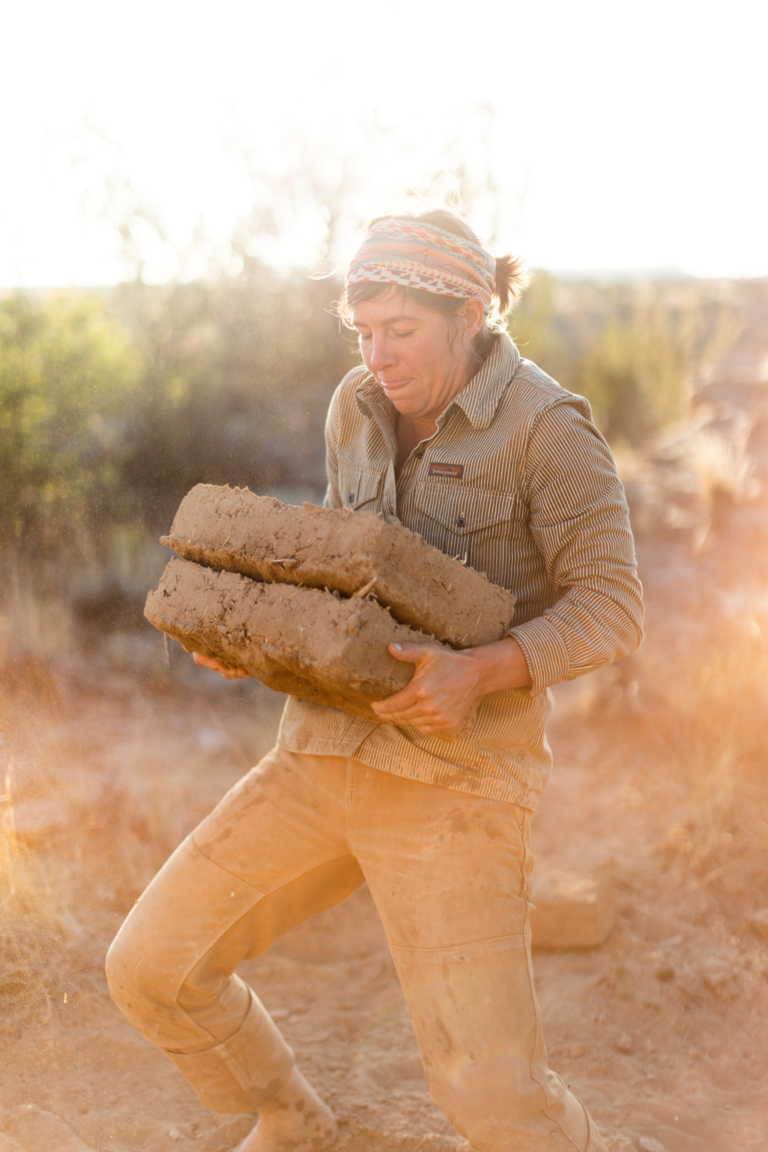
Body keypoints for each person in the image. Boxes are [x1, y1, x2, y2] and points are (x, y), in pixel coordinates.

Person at [106, 206, 643, 1152]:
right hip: (318, 757)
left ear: (471, 311)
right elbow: (344, 575)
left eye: (401, 332)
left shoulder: (548, 432)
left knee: (492, 1101)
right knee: (149, 969)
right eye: (364, 332)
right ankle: (292, 1120)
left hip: (456, 785)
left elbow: (613, 605)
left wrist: (481, 671)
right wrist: (254, 637)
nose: (378, 355)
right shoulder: (353, 407)